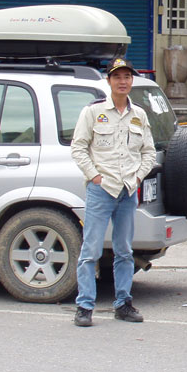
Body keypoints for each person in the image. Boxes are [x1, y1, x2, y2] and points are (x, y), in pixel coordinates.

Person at [70, 57, 156, 327]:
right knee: (90, 250)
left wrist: (138, 177)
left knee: (124, 251)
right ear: (108, 81)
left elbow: (149, 152)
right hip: (101, 190)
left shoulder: (139, 114)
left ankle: (123, 303)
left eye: (127, 77)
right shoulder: (93, 112)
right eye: (117, 76)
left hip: (128, 191)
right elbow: (78, 147)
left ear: (132, 80)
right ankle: (85, 306)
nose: (122, 81)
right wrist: (94, 176)